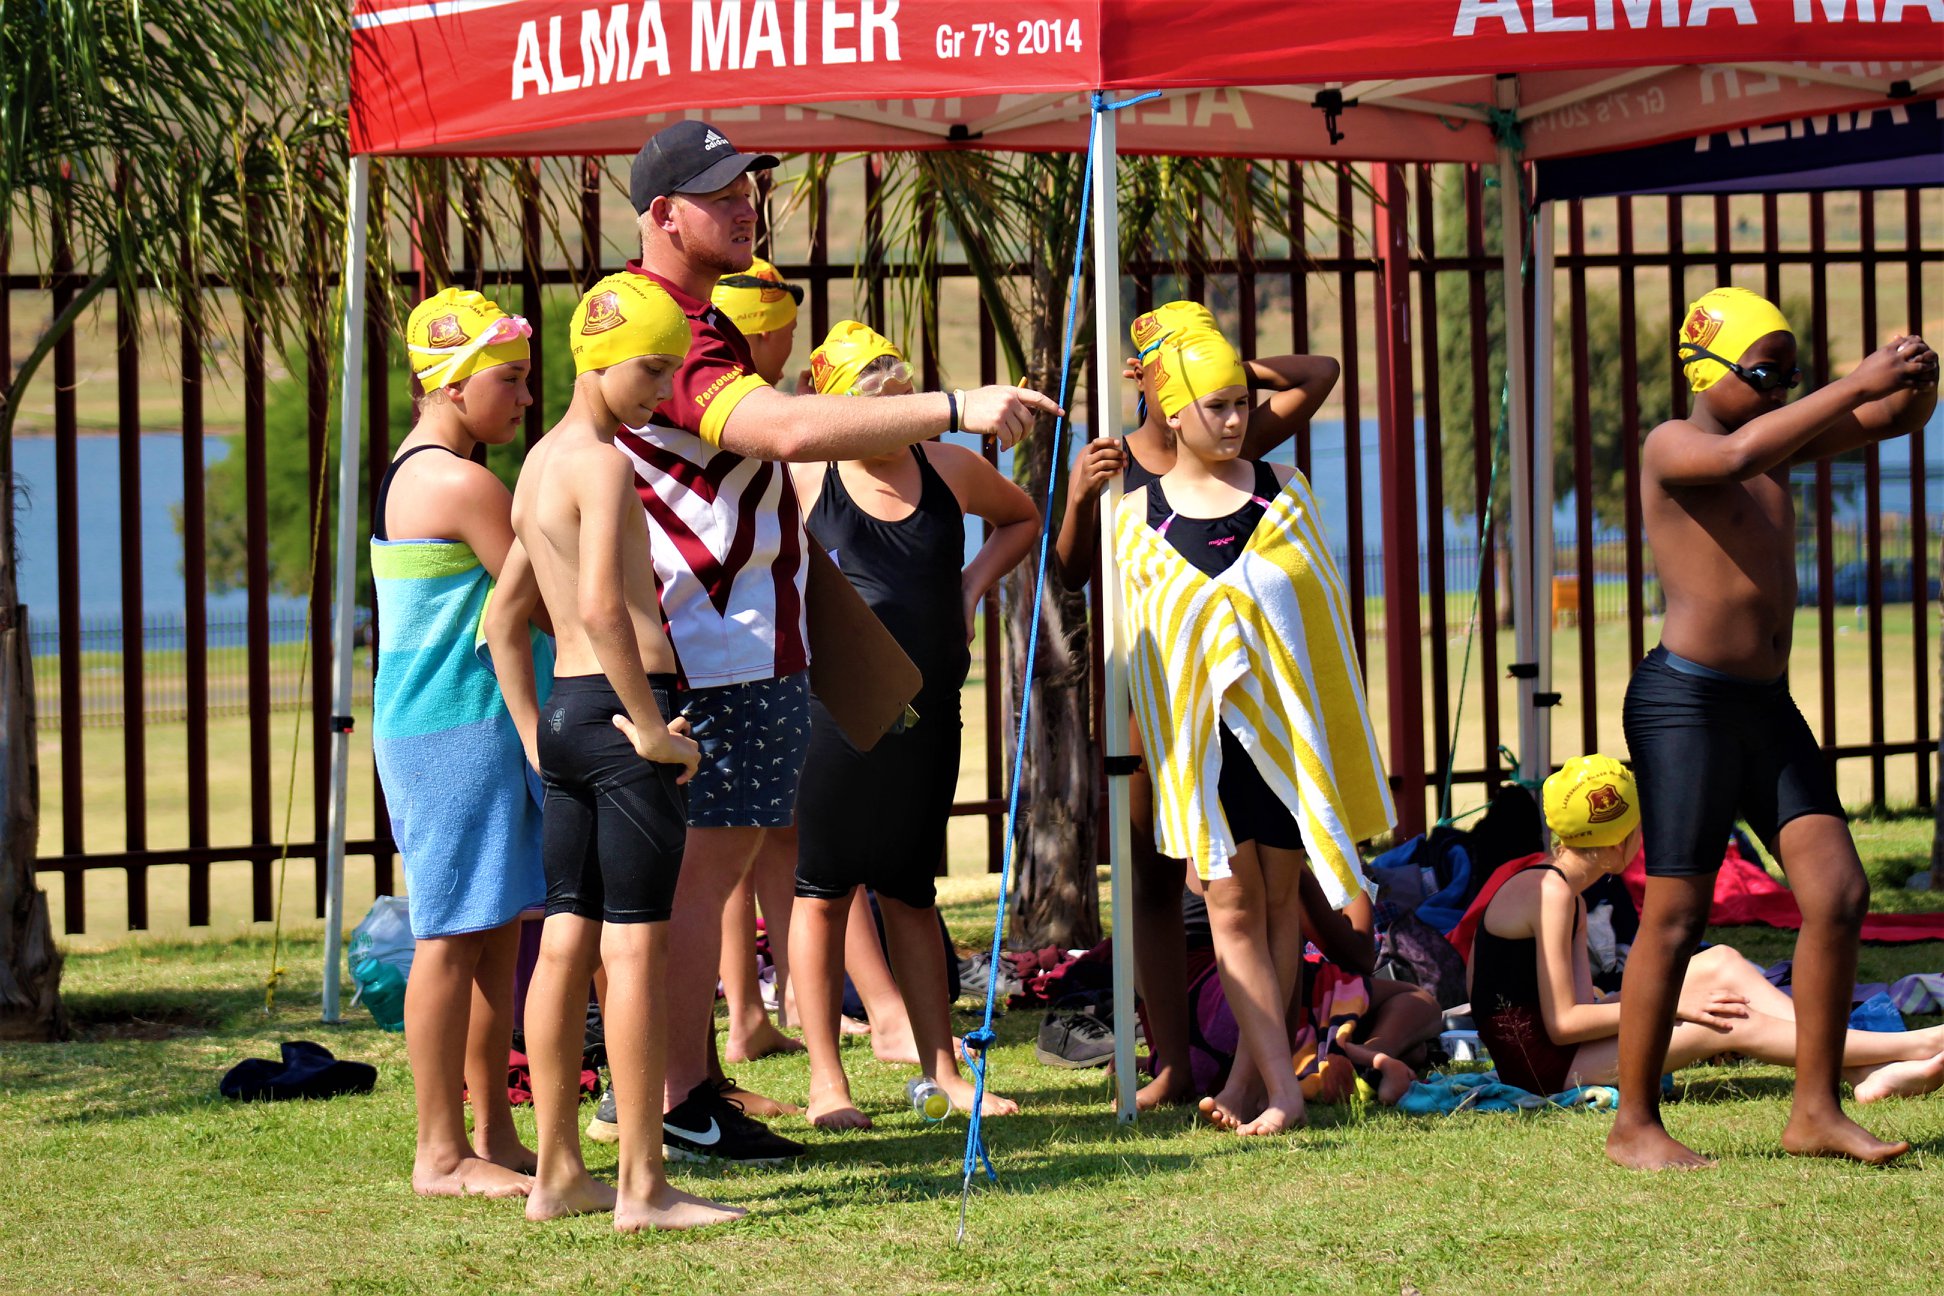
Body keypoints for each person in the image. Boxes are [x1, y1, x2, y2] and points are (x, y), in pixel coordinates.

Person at [618, 120, 1057, 1163]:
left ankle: (685, 1102)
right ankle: (674, 1111)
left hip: (748, 655)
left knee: (718, 886)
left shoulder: (697, 323)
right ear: (663, 213)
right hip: (703, 656)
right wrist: (958, 404)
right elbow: (790, 433)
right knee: (704, 891)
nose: (746, 205)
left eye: (749, 188)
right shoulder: (668, 329)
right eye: (721, 192)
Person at [1614, 288, 1939, 1169]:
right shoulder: (1676, 447)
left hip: (1764, 703)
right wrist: (1852, 381)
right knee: (1676, 915)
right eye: (1765, 374)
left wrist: (1916, 379)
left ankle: (1815, 1112)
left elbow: (1888, 422)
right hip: (1685, 703)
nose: (1780, 390)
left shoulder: (1771, 443)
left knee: (1837, 892)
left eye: (1789, 375)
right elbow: (1744, 449)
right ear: (1704, 372)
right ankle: (1634, 1124)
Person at [484, 272, 738, 1231]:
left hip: (568, 717)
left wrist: (535, 730)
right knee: (634, 953)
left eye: (674, 370)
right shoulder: (598, 465)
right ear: (598, 356)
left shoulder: (539, 466)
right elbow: (594, 608)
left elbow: (504, 623)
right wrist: (652, 728)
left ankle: (557, 1176)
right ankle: (641, 1186)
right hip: (623, 719)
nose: (664, 389)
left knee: (564, 945)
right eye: (652, 368)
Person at [1054, 299, 1339, 1110]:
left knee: (1249, 891)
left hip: (1247, 702)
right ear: (1140, 377)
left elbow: (1320, 375)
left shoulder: (1234, 435)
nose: (1233, 413)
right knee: (1150, 877)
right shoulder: (1119, 462)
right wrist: (1079, 495)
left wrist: (1220, 373)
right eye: (1184, 359)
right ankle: (1172, 1062)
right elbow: (1072, 574)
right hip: (1151, 700)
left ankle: (1252, 1071)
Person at [1114, 324, 1390, 1135]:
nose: (1236, 419)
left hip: (1285, 741)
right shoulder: (1135, 518)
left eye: (1241, 403)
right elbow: (1142, 640)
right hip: (1205, 749)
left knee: (1275, 906)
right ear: (1170, 405)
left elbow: (1321, 633)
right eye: (1217, 404)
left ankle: (1253, 1083)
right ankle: (1283, 1088)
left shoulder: (1286, 492)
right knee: (1229, 903)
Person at [786, 322, 1040, 1129]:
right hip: (835, 712)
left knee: (910, 893)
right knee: (821, 893)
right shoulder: (804, 474)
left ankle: (942, 1072)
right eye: (870, 408)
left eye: (901, 403)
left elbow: (1023, 518)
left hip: (932, 708)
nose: (890, 421)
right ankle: (828, 1081)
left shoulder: (948, 466)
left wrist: (969, 589)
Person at [1460, 756, 1944, 1108]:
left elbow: (1583, 1007)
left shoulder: (1558, 885)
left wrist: (1666, 996)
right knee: (1723, 1020)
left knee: (1721, 963)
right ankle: (1912, 1047)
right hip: (1551, 1074)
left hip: (1557, 1054)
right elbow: (1565, 1023)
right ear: (1624, 839)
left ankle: (1865, 1068)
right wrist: (1672, 1005)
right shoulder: (1554, 896)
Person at [373, 287, 545, 1199]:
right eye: (509, 381)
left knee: (489, 938)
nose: (524, 400)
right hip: (452, 728)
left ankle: (492, 1131)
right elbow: (546, 596)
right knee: (451, 937)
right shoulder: (459, 481)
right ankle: (439, 1152)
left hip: (454, 723)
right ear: (450, 383)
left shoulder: (419, 469)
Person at [708, 256, 806, 1064]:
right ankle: (719, 1041)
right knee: (733, 858)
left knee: (731, 859)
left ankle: (747, 1015)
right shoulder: (748, 411)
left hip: (748, 653)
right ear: (768, 334)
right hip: (736, 659)